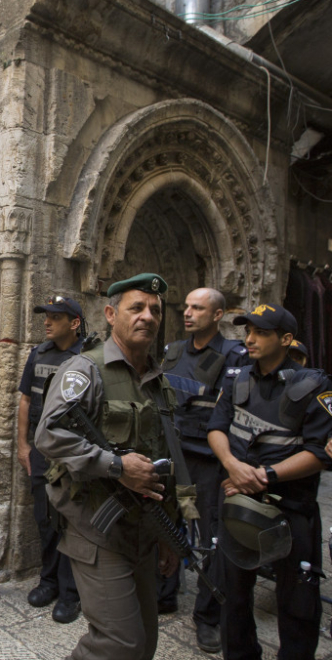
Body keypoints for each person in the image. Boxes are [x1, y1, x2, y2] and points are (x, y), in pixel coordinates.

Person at [36, 273, 179, 660]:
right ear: (111, 314)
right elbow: (49, 435)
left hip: (143, 530)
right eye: (137, 308)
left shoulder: (156, 381)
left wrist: (169, 530)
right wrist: (116, 466)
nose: (147, 316)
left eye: (155, 310)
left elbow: (164, 459)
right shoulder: (85, 370)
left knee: (144, 642)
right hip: (96, 529)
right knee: (118, 643)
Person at [207, 304, 332, 660]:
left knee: (297, 604)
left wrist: (263, 476)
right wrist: (233, 465)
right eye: (248, 332)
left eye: (261, 332)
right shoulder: (237, 378)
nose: (250, 339)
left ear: (286, 339)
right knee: (233, 596)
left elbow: (320, 453)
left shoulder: (314, 385)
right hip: (236, 504)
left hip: (289, 511)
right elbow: (217, 427)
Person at [157, 287, 247, 653]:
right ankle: (165, 593)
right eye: (187, 307)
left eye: (198, 308)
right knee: (167, 524)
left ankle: (207, 616)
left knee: (213, 541)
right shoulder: (174, 351)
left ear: (218, 315)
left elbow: (232, 414)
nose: (188, 313)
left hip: (211, 462)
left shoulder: (234, 357)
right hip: (174, 454)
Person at [15, 296, 86, 624]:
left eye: (55, 317)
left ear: (74, 323)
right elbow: (27, 400)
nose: (46, 322)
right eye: (46, 316)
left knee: (72, 522)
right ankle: (49, 581)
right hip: (42, 451)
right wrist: (22, 446)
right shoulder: (38, 354)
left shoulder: (87, 358)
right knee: (45, 519)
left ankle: (72, 593)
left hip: (73, 453)